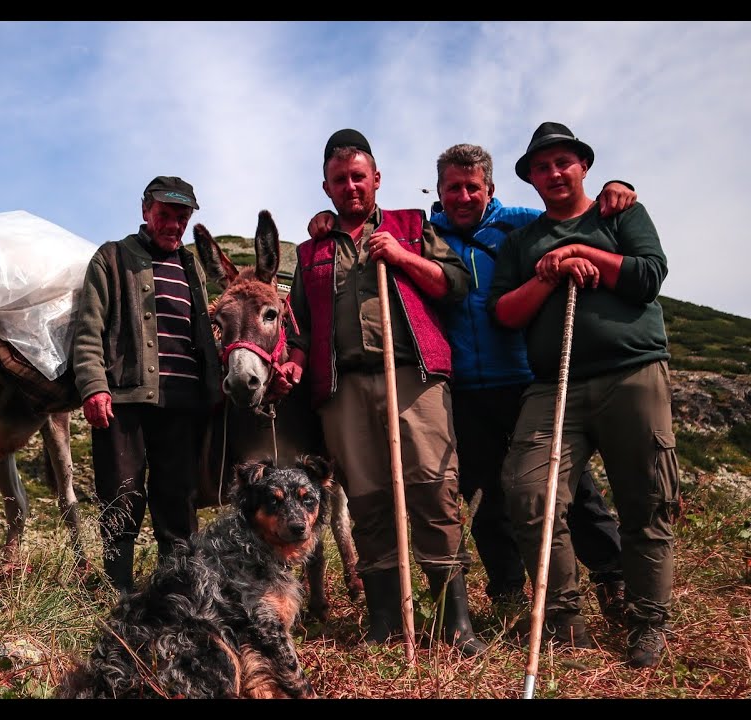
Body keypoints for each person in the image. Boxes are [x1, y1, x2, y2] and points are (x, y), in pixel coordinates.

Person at [277, 129, 484, 655]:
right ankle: (386, 620)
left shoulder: (412, 227)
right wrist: (295, 364)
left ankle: (455, 623)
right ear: (325, 187)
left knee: (433, 490)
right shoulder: (311, 251)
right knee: (369, 502)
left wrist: (402, 256)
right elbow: (298, 326)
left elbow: (455, 283)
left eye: (358, 177)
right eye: (339, 179)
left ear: (376, 180)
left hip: (413, 377)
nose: (350, 186)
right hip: (343, 388)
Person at [488, 122, 677, 668]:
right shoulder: (522, 243)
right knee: (527, 493)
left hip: (632, 372)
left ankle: (647, 623)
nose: (553, 173)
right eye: (542, 168)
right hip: (554, 385)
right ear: (531, 179)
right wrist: (549, 272)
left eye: (562, 162)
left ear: (583, 166)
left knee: (647, 500)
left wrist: (579, 249)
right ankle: (565, 618)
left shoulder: (619, 214)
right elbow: (504, 314)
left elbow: (647, 275)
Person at [426, 143, 632, 621]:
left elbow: (575, 215)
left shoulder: (521, 222)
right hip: (464, 388)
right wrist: (324, 222)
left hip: (525, 378)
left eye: (471, 187)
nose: (462, 196)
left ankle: (611, 575)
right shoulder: (428, 234)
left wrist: (616, 192)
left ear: (490, 189)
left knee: (570, 482)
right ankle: (508, 591)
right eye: (452, 188)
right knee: (486, 493)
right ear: (439, 192)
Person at [71, 175, 223, 594]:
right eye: (164, 215)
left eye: (181, 217)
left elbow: (202, 334)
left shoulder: (190, 265)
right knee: (122, 494)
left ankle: (174, 592)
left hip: (183, 403)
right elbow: (88, 330)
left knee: (177, 499)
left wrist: (213, 390)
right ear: (145, 211)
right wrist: (93, 386)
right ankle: (117, 590)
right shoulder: (112, 258)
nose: (173, 225)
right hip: (124, 400)